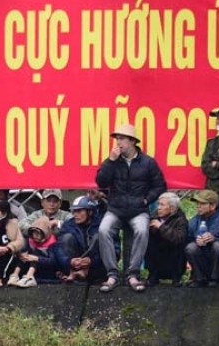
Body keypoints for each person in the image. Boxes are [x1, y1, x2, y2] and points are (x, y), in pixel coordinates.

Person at [95, 123, 166, 292]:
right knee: (104, 230)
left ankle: (133, 274)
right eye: (117, 139)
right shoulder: (112, 161)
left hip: (137, 209)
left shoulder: (148, 162)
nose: (118, 142)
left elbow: (160, 186)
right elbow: (101, 182)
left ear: (132, 141)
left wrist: (145, 201)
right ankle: (112, 274)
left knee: (142, 230)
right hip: (116, 208)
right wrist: (110, 162)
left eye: (122, 139)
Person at [184, 190, 219, 287]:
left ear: (212, 206)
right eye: (198, 203)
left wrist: (214, 239)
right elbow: (186, 241)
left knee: (218, 246)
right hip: (201, 258)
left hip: (218, 262)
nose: (198, 206)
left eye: (202, 203)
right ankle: (199, 278)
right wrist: (196, 241)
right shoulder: (194, 220)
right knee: (191, 247)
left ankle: (217, 279)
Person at [145, 192, 189, 286]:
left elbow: (179, 238)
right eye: (158, 204)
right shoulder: (154, 216)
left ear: (172, 208)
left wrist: (161, 227)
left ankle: (176, 278)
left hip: (173, 258)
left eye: (162, 205)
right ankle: (153, 275)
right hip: (156, 257)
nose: (158, 207)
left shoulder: (180, 219)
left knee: (176, 246)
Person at [58, 196, 103, 283]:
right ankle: (73, 273)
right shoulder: (68, 225)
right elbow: (58, 248)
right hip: (73, 265)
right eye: (74, 211)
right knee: (67, 237)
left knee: (98, 237)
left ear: (90, 212)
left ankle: (85, 272)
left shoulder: (101, 225)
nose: (75, 214)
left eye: (79, 211)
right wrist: (69, 261)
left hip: (95, 268)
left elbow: (114, 251)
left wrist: (91, 261)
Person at [16, 217, 63, 286]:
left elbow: (53, 262)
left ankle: (29, 277)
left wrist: (37, 258)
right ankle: (15, 275)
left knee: (35, 254)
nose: (35, 236)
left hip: (46, 269)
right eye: (33, 233)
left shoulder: (52, 244)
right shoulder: (30, 241)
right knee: (25, 253)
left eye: (38, 233)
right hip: (33, 268)